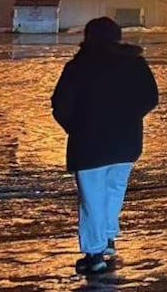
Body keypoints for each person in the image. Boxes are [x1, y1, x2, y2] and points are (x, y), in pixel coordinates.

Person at [52, 17, 159, 275]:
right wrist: (129, 118)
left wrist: (76, 127)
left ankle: (94, 253)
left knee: (92, 198)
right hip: (126, 142)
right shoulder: (135, 63)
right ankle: (108, 239)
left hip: (89, 144)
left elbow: (61, 105)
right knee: (113, 191)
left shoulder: (78, 67)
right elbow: (150, 98)